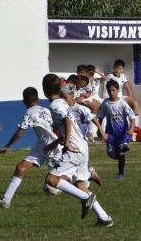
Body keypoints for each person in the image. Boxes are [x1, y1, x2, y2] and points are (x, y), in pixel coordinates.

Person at [42, 74, 114, 227]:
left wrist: (66, 143)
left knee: (52, 179)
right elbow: (69, 126)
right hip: (82, 146)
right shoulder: (62, 102)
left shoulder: (55, 105)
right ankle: (104, 218)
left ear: (45, 91)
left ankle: (85, 197)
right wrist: (55, 144)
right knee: (80, 184)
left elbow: (67, 122)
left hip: (74, 149)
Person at [0, 87, 60, 208]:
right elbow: (55, 127)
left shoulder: (30, 112)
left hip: (52, 148)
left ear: (24, 101)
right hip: (43, 145)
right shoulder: (45, 110)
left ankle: (88, 176)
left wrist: (7, 146)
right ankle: (6, 201)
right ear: (38, 98)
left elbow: (20, 132)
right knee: (20, 168)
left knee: (63, 178)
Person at [98, 80, 137, 180]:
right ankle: (121, 150)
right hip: (110, 133)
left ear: (118, 90)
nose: (111, 92)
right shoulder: (105, 103)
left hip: (122, 133)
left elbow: (132, 116)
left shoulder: (122, 103)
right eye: (109, 90)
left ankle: (121, 173)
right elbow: (100, 118)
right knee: (112, 154)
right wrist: (100, 131)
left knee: (121, 153)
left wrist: (132, 128)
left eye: (113, 90)